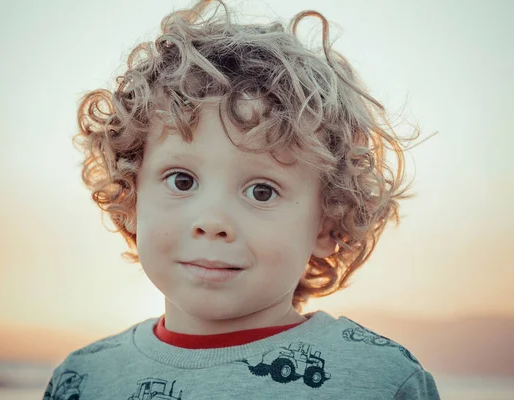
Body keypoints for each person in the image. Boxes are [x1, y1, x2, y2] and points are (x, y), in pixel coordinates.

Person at [43, 0, 440, 398]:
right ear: (131, 198)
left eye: (261, 191)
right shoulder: (83, 379)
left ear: (328, 224)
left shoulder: (378, 380)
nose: (212, 221)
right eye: (181, 181)